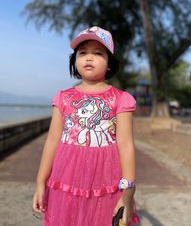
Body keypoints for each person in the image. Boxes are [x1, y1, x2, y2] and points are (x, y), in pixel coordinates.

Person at [33, 26, 139, 226]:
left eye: (98, 53)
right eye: (83, 53)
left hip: (106, 182)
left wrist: (128, 192)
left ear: (109, 63)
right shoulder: (63, 98)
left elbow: (126, 146)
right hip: (65, 181)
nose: (89, 58)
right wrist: (40, 182)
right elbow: (52, 140)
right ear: (75, 60)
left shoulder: (121, 99)